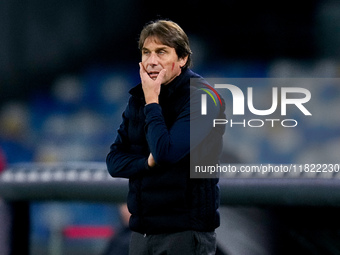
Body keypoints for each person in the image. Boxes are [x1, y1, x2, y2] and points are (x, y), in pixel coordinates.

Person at [106, 19, 226, 255]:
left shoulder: (203, 97)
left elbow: (165, 152)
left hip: (184, 234)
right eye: (146, 52)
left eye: (161, 52)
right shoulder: (138, 99)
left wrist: (152, 101)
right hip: (143, 233)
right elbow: (114, 161)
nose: (152, 61)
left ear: (182, 58)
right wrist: (145, 163)